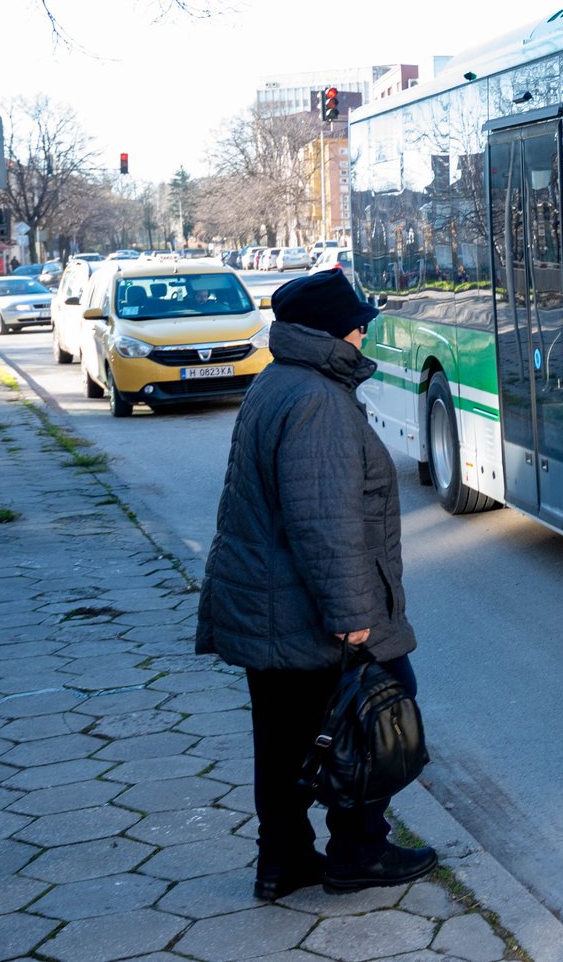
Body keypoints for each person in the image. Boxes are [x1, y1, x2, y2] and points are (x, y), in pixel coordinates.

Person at [195, 268, 436, 900]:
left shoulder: (281, 381)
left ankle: (281, 863)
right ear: (338, 331)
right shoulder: (317, 400)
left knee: (282, 741)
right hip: (308, 612)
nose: (366, 332)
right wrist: (354, 615)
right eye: (361, 323)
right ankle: (359, 851)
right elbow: (324, 521)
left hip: (267, 606)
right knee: (376, 714)